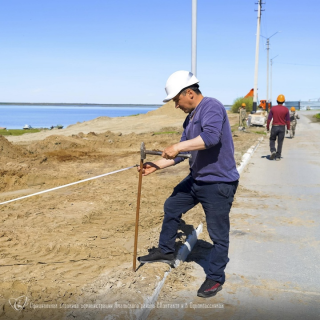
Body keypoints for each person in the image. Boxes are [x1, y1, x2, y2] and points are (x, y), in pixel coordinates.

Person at [137, 70, 239, 298]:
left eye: (176, 100)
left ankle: (215, 278)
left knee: (218, 234)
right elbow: (183, 152)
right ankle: (166, 251)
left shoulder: (212, 106)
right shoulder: (190, 117)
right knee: (172, 206)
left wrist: (178, 147)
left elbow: (210, 138)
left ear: (189, 93)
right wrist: (157, 165)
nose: (176, 105)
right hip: (197, 179)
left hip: (218, 183)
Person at [266, 94, 290, 161]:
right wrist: (288, 128)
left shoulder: (273, 108)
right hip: (282, 127)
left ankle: (273, 150)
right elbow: (288, 120)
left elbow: (269, 119)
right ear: (284, 101)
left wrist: (267, 127)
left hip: (274, 127)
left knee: (272, 139)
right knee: (280, 142)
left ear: (277, 100)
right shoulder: (286, 109)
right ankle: (278, 156)